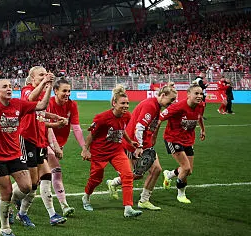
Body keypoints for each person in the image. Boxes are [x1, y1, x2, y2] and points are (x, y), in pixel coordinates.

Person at [0, 67, 52, 236]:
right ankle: (5, 227)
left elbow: (42, 105)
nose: (9, 88)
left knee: (27, 187)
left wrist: (48, 84)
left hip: (14, 154)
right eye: (4, 86)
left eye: (10, 86)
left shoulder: (18, 104)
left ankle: (11, 205)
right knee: (5, 193)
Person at [16, 67, 70, 227]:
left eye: (46, 74)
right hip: (27, 139)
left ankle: (51, 214)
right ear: (32, 78)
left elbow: (41, 117)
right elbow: (30, 101)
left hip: (39, 141)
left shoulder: (43, 94)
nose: (45, 76)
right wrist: (45, 84)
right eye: (41, 74)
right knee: (31, 183)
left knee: (46, 175)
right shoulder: (27, 90)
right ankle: (11, 199)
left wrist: (56, 120)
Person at [110, 83, 177, 210]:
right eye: (171, 99)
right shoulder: (150, 105)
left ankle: (144, 200)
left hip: (144, 143)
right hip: (134, 144)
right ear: (163, 95)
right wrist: (139, 146)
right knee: (135, 174)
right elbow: (139, 127)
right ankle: (114, 183)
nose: (172, 103)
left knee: (156, 170)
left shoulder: (156, 106)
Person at [80, 85, 143, 217]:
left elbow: (122, 129)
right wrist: (85, 149)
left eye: (127, 103)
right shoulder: (102, 118)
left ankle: (128, 208)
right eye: (123, 103)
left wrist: (130, 141)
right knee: (96, 179)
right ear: (114, 103)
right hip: (99, 152)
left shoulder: (126, 116)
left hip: (117, 151)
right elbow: (91, 135)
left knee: (127, 175)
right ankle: (86, 197)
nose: (126, 106)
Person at [161, 84, 207, 204]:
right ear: (188, 95)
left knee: (189, 170)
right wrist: (150, 134)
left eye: (201, 94)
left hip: (188, 139)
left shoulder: (201, 105)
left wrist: (202, 129)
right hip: (173, 139)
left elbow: (199, 116)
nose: (199, 96)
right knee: (185, 168)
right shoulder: (177, 107)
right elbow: (160, 117)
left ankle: (170, 174)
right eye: (196, 93)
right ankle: (181, 194)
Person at [45, 78, 85, 216]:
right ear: (55, 91)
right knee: (56, 171)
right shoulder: (48, 103)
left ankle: (18, 195)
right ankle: (63, 205)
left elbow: (77, 128)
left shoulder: (72, 105)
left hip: (58, 144)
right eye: (64, 91)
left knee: (38, 177)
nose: (67, 93)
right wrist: (54, 146)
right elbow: (47, 128)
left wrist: (84, 147)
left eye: (69, 91)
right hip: (44, 141)